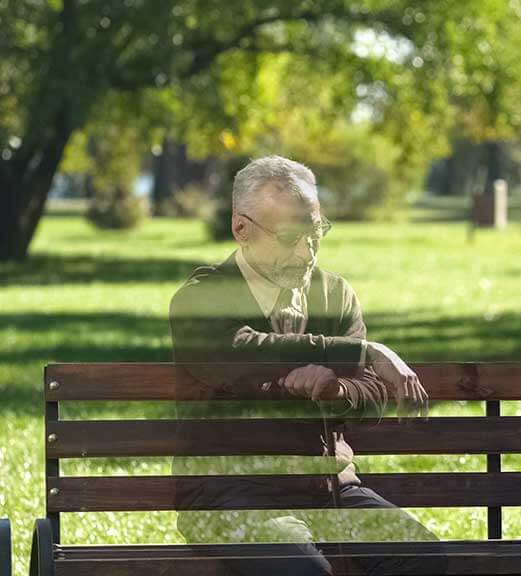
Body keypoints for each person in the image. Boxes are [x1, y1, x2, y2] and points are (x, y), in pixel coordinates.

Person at [168, 155, 439, 575]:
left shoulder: (335, 294)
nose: (307, 249)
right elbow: (240, 352)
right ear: (241, 228)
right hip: (225, 493)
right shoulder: (201, 297)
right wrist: (363, 352)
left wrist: (339, 391)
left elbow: (372, 395)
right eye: (291, 235)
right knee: (303, 571)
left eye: (315, 232)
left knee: (421, 558)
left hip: (327, 489)